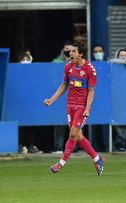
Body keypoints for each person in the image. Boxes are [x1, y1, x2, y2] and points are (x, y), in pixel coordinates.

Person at [44, 42, 105, 175]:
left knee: (72, 134)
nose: (70, 54)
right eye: (70, 51)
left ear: (80, 54)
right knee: (77, 136)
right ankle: (98, 159)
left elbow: (91, 91)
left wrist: (87, 108)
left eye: (73, 51)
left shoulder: (90, 69)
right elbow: (64, 85)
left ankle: (60, 164)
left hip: (82, 107)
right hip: (70, 105)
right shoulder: (68, 67)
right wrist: (52, 99)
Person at [52, 40, 74, 153]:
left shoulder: (78, 62)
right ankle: (58, 147)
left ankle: (75, 148)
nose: (68, 52)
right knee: (59, 122)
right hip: (60, 97)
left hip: (74, 97)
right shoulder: (57, 61)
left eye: (71, 50)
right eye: (66, 50)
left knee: (75, 124)